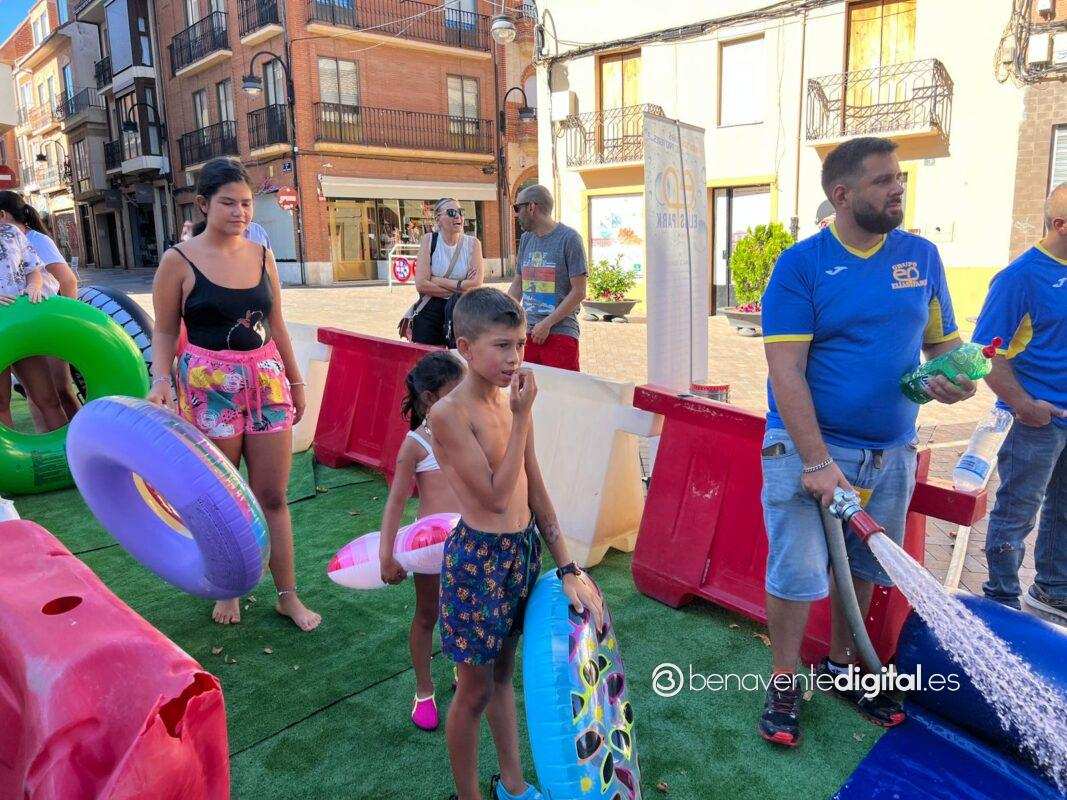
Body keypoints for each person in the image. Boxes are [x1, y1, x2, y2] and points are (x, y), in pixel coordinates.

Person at [758, 136, 976, 747]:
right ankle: (783, 682)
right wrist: (817, 461)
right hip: (807, 451)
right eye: (883, 181)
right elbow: (786, 371)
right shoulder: (800, 267)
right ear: (842, 194)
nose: (897, 188)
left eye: (898, 178)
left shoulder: (922, 257)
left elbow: (942, 345)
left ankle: (841, 666)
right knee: (797, 569)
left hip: (891, 451)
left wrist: (956, 378)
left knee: (863, 566)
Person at [430, 287, 603, 800]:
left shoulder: (509, 404)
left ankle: (512, 784)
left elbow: (535, 487)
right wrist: (523, 417)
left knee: (504, 674)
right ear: (466, 347)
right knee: (474, 690)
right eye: (502, 345)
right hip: (477, 562)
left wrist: (567, 565)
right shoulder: (450, 414)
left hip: (521, 551)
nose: (515, 358)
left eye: (521, 344)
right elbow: (495, 497)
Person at [149, 157, 320, 632]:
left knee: (273, 495)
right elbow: (165, 330)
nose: (240, 212)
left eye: (246, 203)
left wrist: (296, 382)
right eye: (228, 202)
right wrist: (161, 379)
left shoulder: (262, 255)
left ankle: (287, 595)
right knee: (223, 496)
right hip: (210, 387)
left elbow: (276, 323)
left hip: (266, 382)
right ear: (204, 204)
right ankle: (229, 586)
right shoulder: (178, 260)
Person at [972, 183, 1067, 622]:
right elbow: (984, 354)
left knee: (1063, 511)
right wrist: (1024, 406)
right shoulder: (1020, 278)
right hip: (1037, 423)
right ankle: (1001, 600)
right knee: (1016, 513)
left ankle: (1053, 590)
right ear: (1061, 225)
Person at [379, 351, 465, 731]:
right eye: (456, 393)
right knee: (428, 613)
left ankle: (463, 668)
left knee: (462, 611)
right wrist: (386, 555)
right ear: (431, 398)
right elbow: (396, 502)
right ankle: (424, 689)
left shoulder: (472, 430)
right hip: (430, 548)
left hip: (469, 544)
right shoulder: (416, 443)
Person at [0, 192, 80, 425]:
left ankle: (66, 444)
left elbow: (33, 269)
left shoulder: (14, 233)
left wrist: (33, 286)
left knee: (47, 398)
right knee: (1, 402)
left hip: (21, 324)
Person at [507, 185, 587, 372]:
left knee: (561, 389)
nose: (516, 215)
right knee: (526, 388)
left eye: (517, 208)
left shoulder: (569, 239)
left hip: (561, 333)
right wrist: (504, 315)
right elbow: (518, 284)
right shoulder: (526, 239)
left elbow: (579, 291)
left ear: (531, 207)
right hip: (527, 334)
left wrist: (547, 323)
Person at [411, 198, 485, 347]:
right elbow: (421, 285)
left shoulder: (473, 244)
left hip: (461, 311)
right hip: (431, 310)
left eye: (460, 212)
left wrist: (436, 280)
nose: (458, 216)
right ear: (438, 219)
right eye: (451, 212)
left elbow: (475, 285)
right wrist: (461, 287)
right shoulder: (429, 240)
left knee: (459, 358)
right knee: (431, 359)